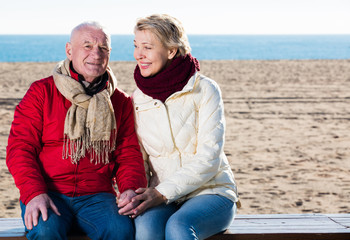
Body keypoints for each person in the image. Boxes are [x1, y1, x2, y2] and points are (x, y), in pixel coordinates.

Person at [6, 21, 147, 240]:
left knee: (121, 230)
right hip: (47, 191)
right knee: (45, 230)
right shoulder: (41, 92)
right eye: (87, 45)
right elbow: (20, 149)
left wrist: (130, 188)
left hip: (97, 196)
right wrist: (34, 193)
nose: (96, 54)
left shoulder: (120, 100)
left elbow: (128, 153)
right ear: (69, 50)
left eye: (103, 48)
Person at [118, 14, 240, 240]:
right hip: (161, 194)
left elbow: (209, 158)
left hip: (211, 191)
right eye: (136, 46)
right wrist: (135, 194)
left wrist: (161, 194)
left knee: (178, 226)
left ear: (171, 51)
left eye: (147, 47)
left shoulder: (205, 89)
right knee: (144, 229)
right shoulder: (138, 100)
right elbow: (139, 159)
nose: (138, 54)